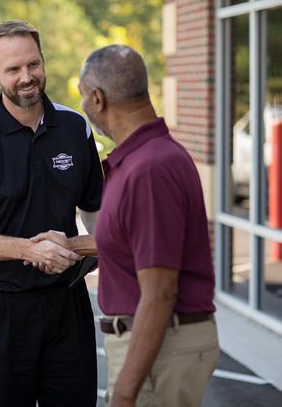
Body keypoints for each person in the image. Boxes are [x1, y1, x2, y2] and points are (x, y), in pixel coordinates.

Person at [34, 45, 219, 407]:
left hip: (160, 348)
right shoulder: (147, 158)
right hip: (157, 345)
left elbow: (160, 291)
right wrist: (70, 245)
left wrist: (123, 394)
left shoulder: (150, 170)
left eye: (84, 98)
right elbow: (133, 243)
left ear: (97, 98)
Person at [0, 20, 103, 407]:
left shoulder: (76, 129)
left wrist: (79, 248)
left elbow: (101, 219)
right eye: (13, 69)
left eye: (33, 65)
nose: (26, 77)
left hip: (66, 304)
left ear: (44, 62)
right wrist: (28, 250)